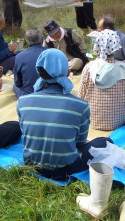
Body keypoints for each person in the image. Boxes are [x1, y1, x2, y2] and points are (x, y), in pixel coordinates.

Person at [17, 48, 112, 180]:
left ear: (39, 71)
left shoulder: (22, 102)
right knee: (104, 141)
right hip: (65, 169)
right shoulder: (81, 105)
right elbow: (80, 142)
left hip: (31, 165)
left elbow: (25, 132)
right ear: (67, 72)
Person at [78, 29, 125, 130]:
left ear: (98, 44)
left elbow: (80, 96)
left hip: (92, 120)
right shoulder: (124, 69)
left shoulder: (89, 68)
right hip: (118, 121)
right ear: (116, 45)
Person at [13, 28, 46, 98]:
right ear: (42, 40)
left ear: (27, 41)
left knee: (15, 86)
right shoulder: (51, 53)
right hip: (50, 92)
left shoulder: (20, 56)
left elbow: (18, 83)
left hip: (28, 95)